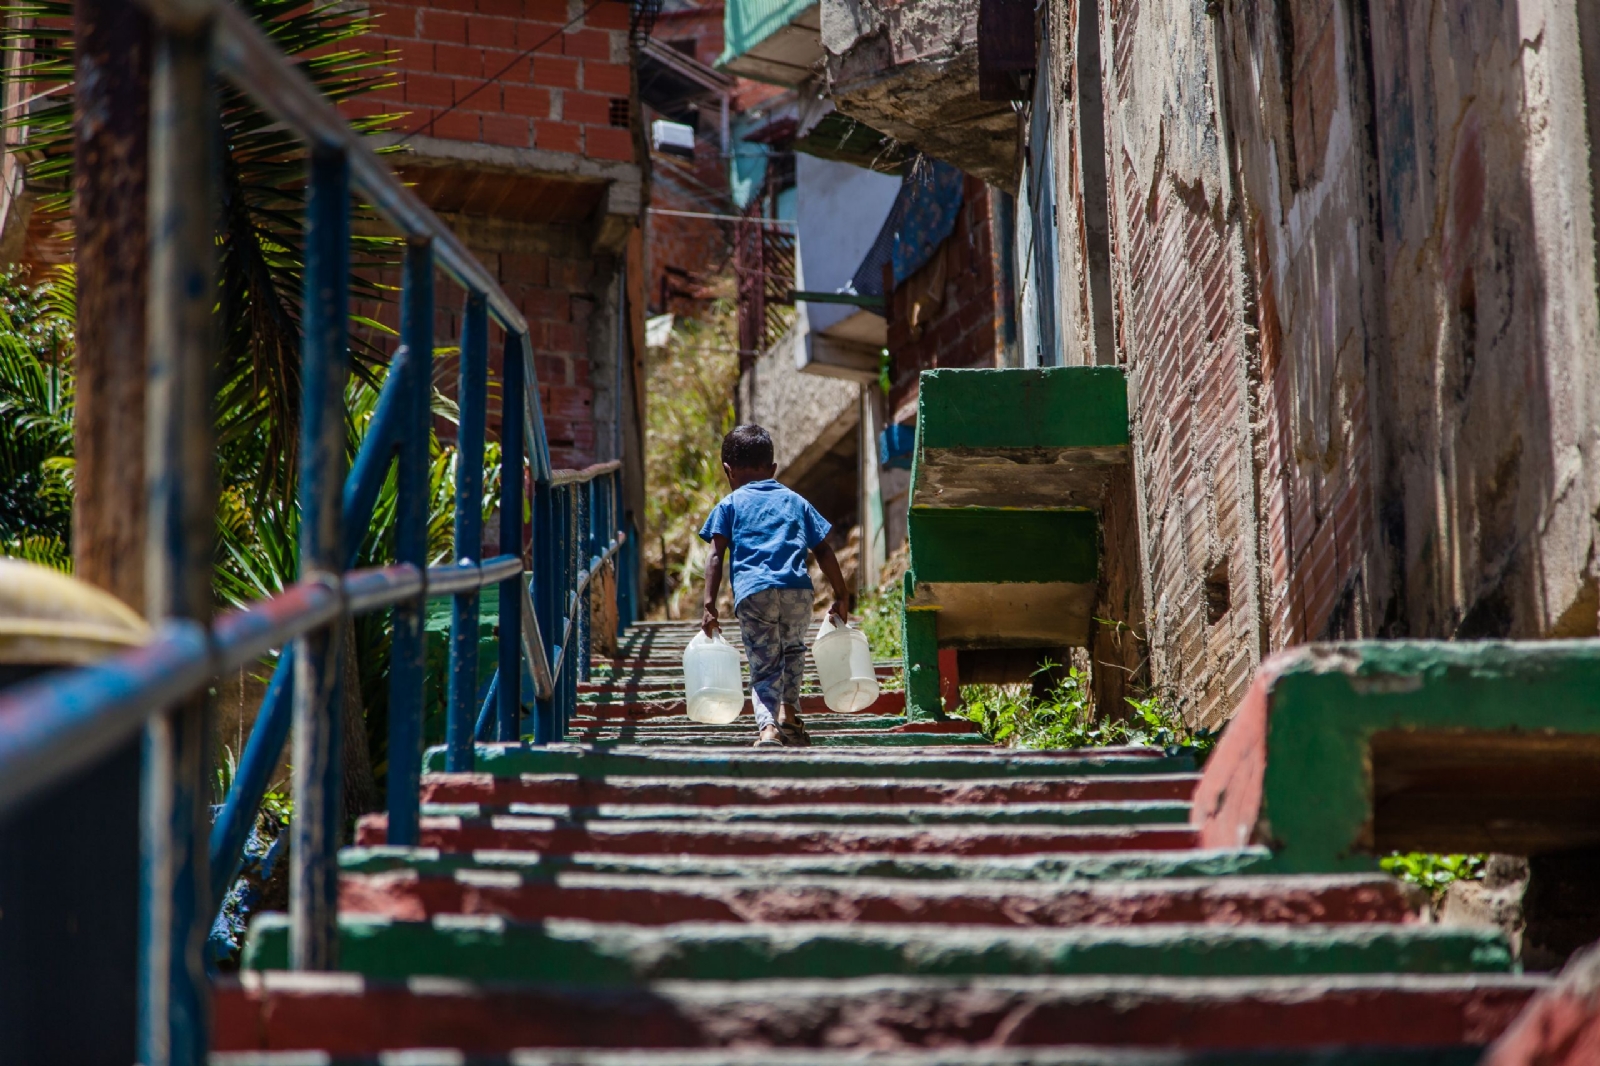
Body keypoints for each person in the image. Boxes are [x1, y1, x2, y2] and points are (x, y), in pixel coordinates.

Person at [699, 424, 850, 748]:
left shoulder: (730, 505)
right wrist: (842, 594)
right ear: (773, 469)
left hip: (755, 593)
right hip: (798, 591)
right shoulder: (796, 501)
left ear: (728, 471)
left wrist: (709, 605)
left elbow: (715, 555)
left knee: (764, 662)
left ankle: (768, 729)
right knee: (793, 652)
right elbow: (823, 549)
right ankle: (789, 715)